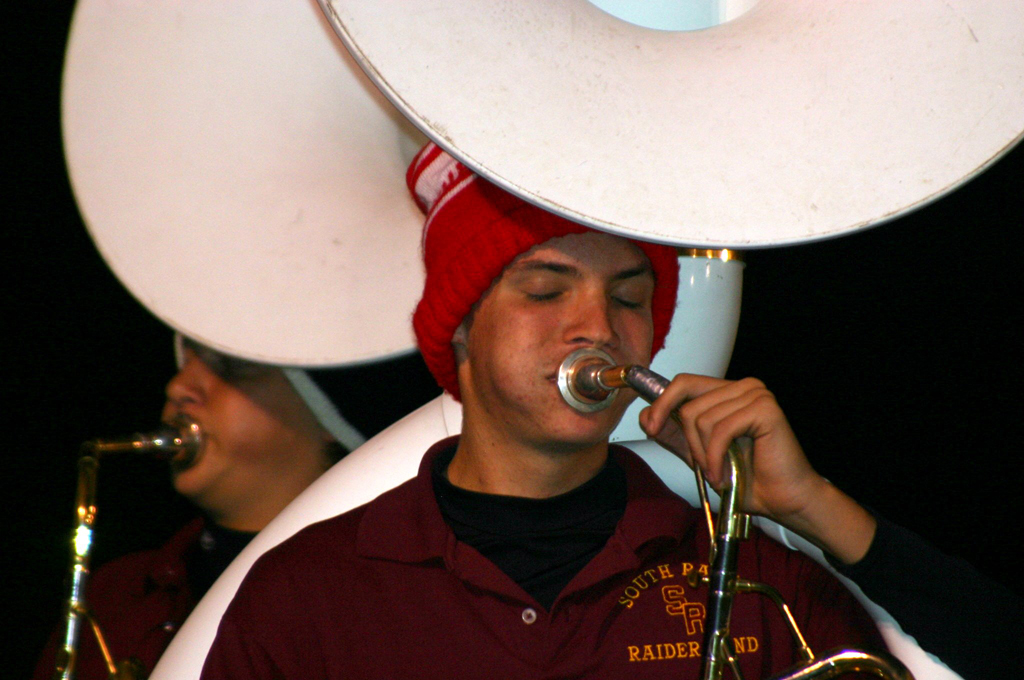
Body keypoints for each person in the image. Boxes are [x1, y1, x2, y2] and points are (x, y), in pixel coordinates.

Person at [199, 143, 889, 679]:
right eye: (546, 290)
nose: (598, 326)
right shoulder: (305, 591)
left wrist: (811, 504)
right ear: (462, 325)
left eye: (627, 298)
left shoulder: (756, 579)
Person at [34, 335, 436, 680]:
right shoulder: (118, 594)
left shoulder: (392, 606)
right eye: (185, 361)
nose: (178, 386)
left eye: (231, 367)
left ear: (333, 414)